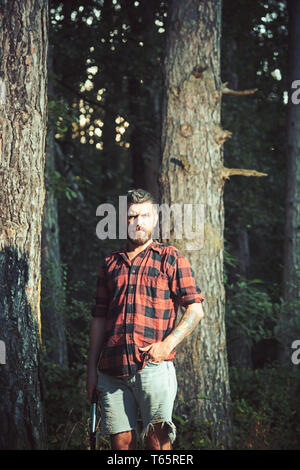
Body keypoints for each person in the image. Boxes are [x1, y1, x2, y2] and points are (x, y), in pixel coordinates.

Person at [86, 189, 204, 450]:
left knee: (157, 442)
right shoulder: (110, 263)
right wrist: (91, 370)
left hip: (152, 366)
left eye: (145, 215)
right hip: (111, 369)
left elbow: (195, 310)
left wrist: (167, 345)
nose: (138, 221)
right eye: (131, 216)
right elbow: (99, 319)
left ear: (155, 219)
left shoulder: (170, 258)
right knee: (121, 444)